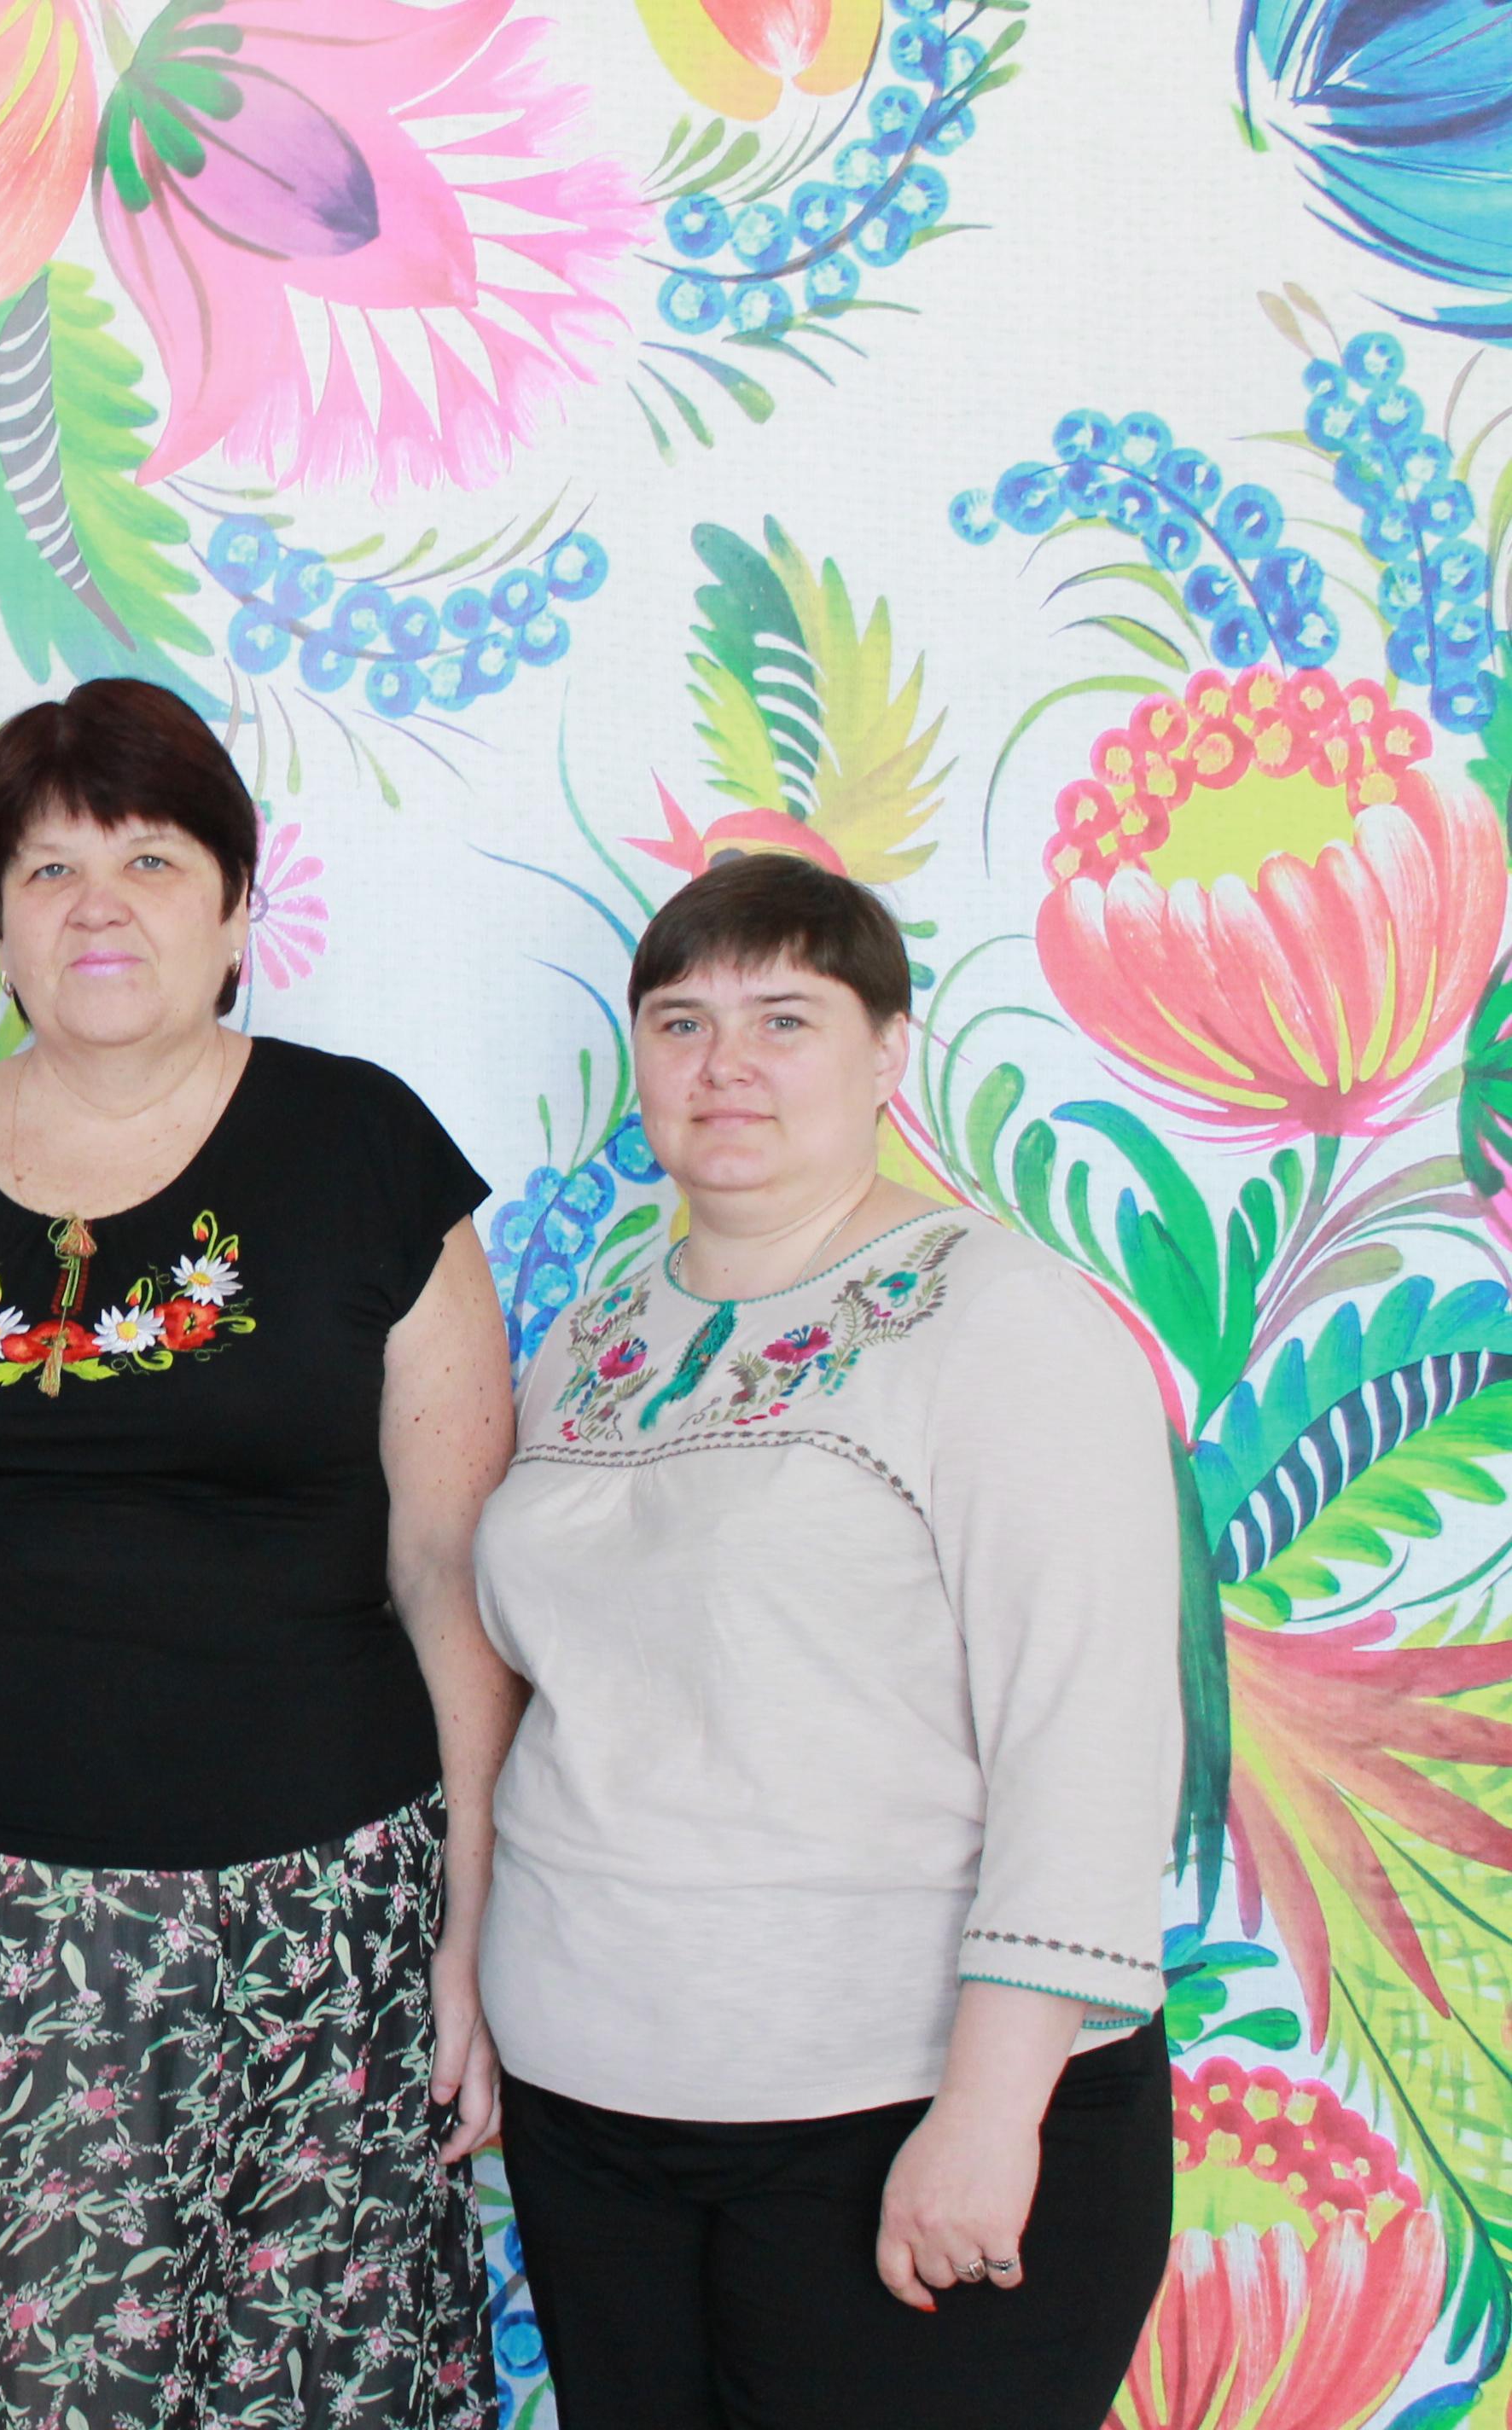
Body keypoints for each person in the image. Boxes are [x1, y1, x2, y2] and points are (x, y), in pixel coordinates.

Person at [0, 677, 519, 2430]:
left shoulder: (365, 1149)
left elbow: (452, 1571)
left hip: (303, 1929)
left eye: (152, 859)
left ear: (236, 908)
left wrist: (475, 1926)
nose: (100, 905)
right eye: (50, 867)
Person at [472, 852, 1178, 2428]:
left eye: (784, 1018)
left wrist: (991, 2116)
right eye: (681, 1022)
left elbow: (1088, 1734)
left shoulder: (1003, 1319)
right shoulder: (593, 1331)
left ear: (887, 1052)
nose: (724, 1064)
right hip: (596, 2116)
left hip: (901, 2109)